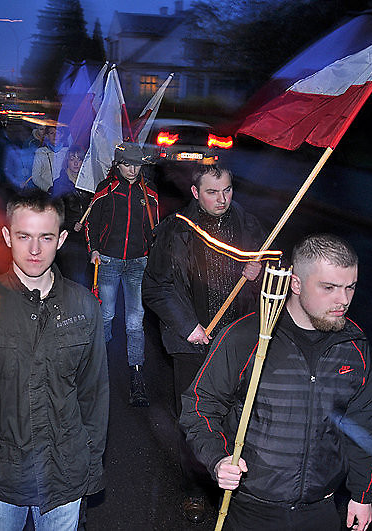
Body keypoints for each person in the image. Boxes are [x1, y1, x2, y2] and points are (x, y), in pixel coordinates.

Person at [179, 234, 372, 531]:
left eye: (349, 287)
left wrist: (363, 494)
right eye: (329, 288)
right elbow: (199, 406)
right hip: (252, 508)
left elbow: (366, 424)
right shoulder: (247, 337)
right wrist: (218, 459)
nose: (343, 300)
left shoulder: (355, 348)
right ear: (296, 284)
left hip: (321, 508)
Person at [0, 191, 109, 530]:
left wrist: (89, 464)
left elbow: (94, 393)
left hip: (64, 473)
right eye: (23, 236)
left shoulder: (84, 306)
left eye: (46, 237)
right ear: (7, 236)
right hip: (3, 473)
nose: (34, 249)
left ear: (61, 239)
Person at [141, 164, 264, 523]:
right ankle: (195, 487)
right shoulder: (176, 229)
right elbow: (156, 286)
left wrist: (259, 272)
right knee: (196, 418)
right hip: (194, 341)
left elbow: (276, 269)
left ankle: (233, 482)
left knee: (238, 415)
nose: (222, 199)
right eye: (212, 192)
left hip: (237, 341)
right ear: (195, 193)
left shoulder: (247, 224)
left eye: (227, 190)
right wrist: (187, 325)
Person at [86, 142, 158, 407]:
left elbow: (155, 229)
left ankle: (137, 375)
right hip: (109, 260)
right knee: (106, 315)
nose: (132, 170)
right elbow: (92, 224)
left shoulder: (149, 193)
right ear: (118, 164)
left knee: (135, 322)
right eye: (127, 164)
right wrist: (94, 249)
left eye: (136, 164)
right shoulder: (106, 190)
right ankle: (99, 367)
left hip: (138, 263)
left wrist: (154, 255)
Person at [51, 144, 92, 287]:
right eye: (72, 159)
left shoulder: (89, 185)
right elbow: (54, 214)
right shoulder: (59, 185)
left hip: (86, 239)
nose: (75, 162)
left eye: (79, 159)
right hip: (68, 240)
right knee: (70, 278)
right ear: (67, 161)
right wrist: (70, 224)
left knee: (85, 280)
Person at [30, 126, 66, 192]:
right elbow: (36, 177)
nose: (55, 136)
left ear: (62, 135)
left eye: (58, 133)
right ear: (47, 136)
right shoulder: (40, 152)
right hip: (47, 193)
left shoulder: (67, 152)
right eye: (52, 133)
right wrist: (48, 188)